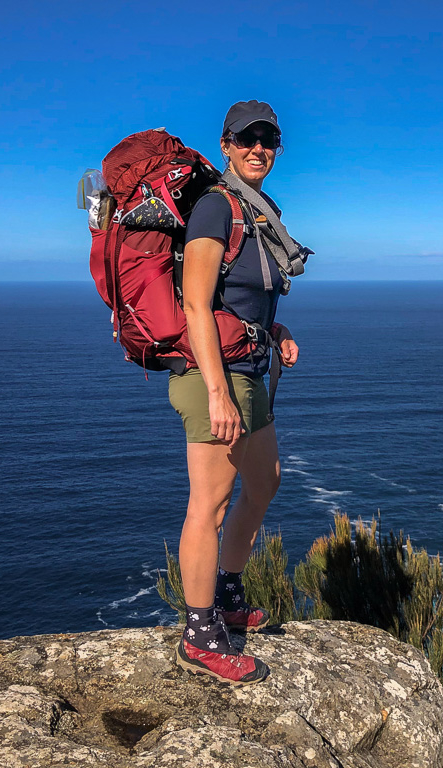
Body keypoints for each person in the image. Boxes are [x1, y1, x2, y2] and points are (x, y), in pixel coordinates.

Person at [168, 100, 299, 685]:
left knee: (265, 481)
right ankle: (198, 636)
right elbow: (197, 303)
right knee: (211, 503)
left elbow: (242, 298)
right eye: (246, 139)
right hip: (213, 376)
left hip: (249, 366)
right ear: (225, 144)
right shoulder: (215, 207)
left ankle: (225, 592)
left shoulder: (261, 210)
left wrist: (276, 329)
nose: (258, 148)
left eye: (267, 139)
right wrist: (218, 393)